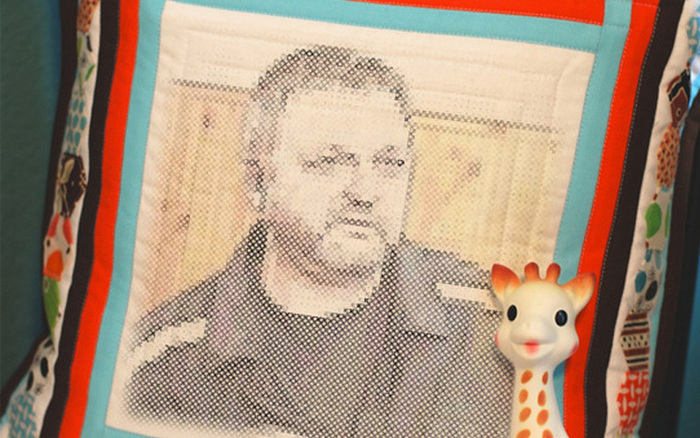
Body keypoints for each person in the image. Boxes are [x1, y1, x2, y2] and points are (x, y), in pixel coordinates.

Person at [125, 46, 509, 437]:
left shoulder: (497, 326)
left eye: (389, 164)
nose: (366, 192)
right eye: (331, 162)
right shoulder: (165, 359)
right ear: (259, 182)